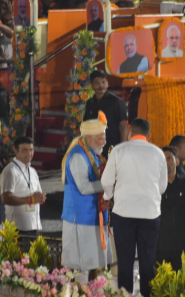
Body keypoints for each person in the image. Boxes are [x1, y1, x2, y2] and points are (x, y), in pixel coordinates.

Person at [102, 118, 167, 297]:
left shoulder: (119, 150)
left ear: (130, 132)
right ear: (149, 135)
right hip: (150, 214)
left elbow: (106, 181)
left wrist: (108, 197)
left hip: (124, 213)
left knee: (125, 261)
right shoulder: (158, 153)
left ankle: (125, 294)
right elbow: (162, 187)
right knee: (148, 261)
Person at [61, 113, 113, 282]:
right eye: (101, 139)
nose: (104, 142)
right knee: (81, 267)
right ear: (88, 138)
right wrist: (109, 183)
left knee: (92, 264)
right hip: (80, 219)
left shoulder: (93, 155)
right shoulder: (78, 156)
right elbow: (83, 187)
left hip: (92, 218)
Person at [156, 147, 185, 271]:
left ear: (177, 161)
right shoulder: (153, 186)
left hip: (184, 247)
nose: (165, 162)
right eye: (162, 159)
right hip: (160, 248)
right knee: (162, 287)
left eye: (169, 158)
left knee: (184, 285)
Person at [0, 137, 46, 235]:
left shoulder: (32, 171)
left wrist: (41, 197)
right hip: (16, 227)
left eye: (31, 150)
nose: (29, 153)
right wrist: (31, 199)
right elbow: (5, 198)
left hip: (33, 225)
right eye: (25, 150)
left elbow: (37, 194)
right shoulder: (10, 170)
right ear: (16, 151)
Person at [83, 70, 128, 157]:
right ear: (91, 85)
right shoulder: (90, 103)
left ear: (107, 83)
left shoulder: (116, 102)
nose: (101, 86)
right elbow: (86, 125)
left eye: (103, 82)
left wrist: (122, 148)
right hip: (94, 148)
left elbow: (124, 126)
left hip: (111, 147)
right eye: (97, 83)